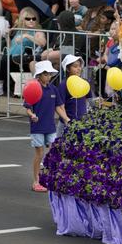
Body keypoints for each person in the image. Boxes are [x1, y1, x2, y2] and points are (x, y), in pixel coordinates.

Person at [24, 60, 70, 192]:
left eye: (49, 73)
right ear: (39, 75)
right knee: (39, 153)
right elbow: (28, 107)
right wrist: (32, 115)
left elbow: (58, 107)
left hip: (50, 127)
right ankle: (36, 181)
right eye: (45, 74)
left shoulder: (53, 89)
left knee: (52, 152)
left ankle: (48, 178)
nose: (48, 76)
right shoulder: (33, 88)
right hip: (37, 127)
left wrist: (66, 119)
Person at [58, 54, 89, 134]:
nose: (79, 69)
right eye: (75, 66)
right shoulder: (63, 84)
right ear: (68, 69)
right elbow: (61, 105)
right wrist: (66, 120)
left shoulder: (84, 82)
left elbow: (90, 99)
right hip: (67, 123)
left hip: (82, 122)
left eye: (79, 66)